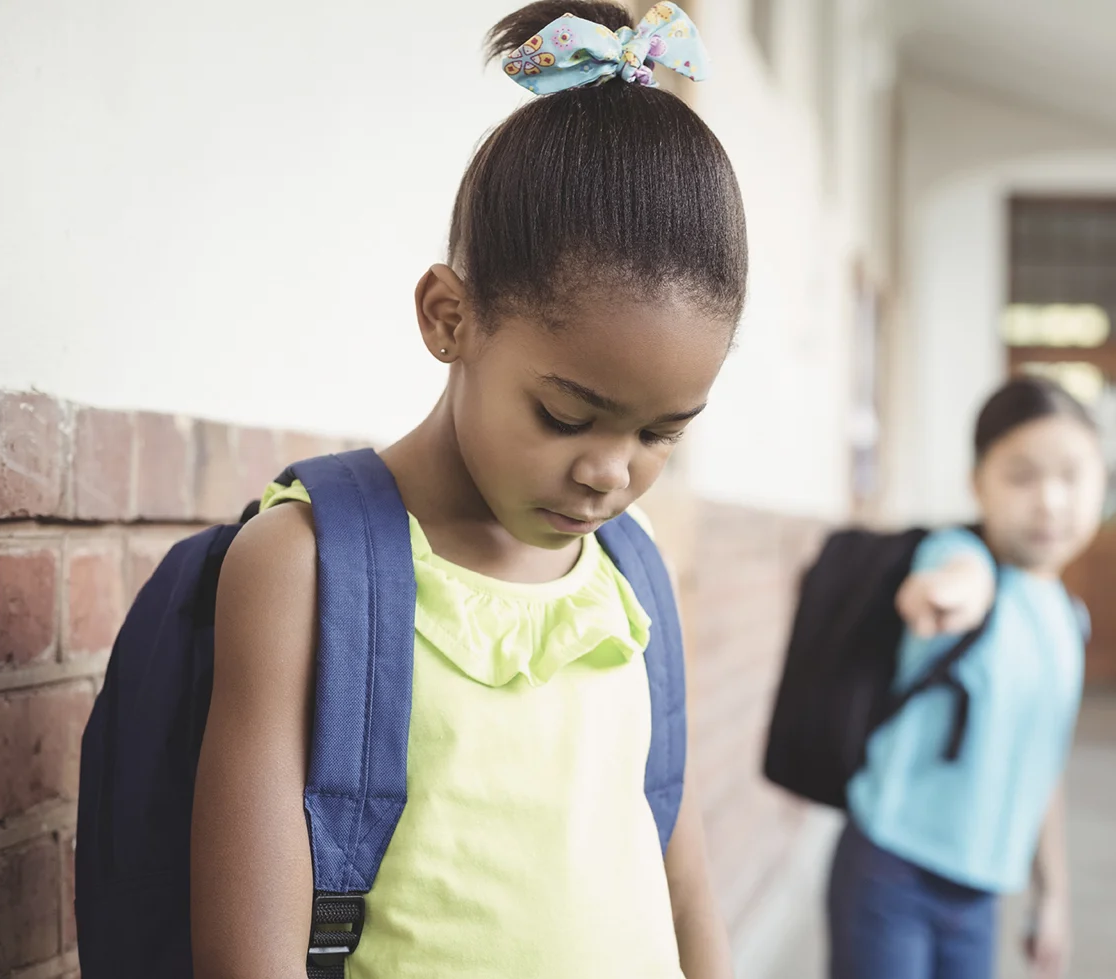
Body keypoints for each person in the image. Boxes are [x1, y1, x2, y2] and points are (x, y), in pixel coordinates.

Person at [187, 3, 743, 976]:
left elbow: (682, 879)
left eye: (660, 434)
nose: (610, 472)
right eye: (568, 415)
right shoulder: (308, 567)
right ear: (450, 317)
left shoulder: (632, 573)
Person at [829, 375, 1107, 979]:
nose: (1051, 501)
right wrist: (942, 594)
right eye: (1022, 475)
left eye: (1072, 475)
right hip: (891, 871)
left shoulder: (1068, 619)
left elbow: (1043, 768)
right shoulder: (962, 554)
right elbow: (956, 578)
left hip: (982, 892)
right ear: (976, 483)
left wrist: (1052, 896)